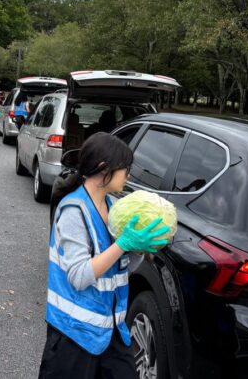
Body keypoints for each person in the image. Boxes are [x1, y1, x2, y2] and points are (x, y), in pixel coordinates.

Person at [39, 133, 170, 379]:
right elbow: (79, 276)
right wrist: (123, 244)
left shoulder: (112, 207)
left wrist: (138, 250)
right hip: (74, 335)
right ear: (104, 169)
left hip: (110, 331)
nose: (128, 176)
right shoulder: (73, 211)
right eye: (125, 169)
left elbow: (115, 267)